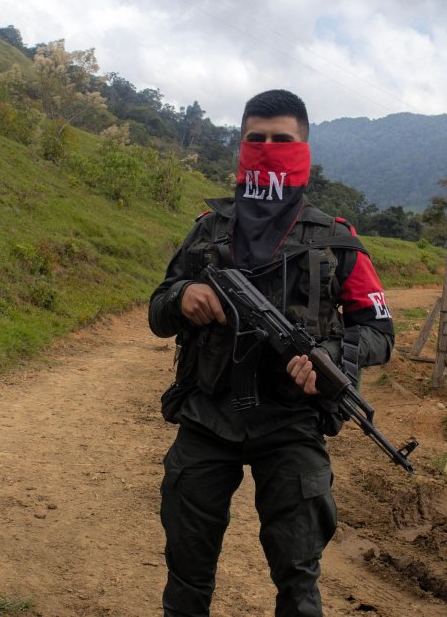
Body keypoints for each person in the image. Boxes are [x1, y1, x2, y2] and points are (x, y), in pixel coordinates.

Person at [148, 89, 395, 616]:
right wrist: (182, 297)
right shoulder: (208, 229)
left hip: (291, 424)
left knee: (299, 585)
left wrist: (330, 355)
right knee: (187, 578)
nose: (267, 148)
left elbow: (379, 332)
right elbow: (157, 309)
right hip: (207, 416)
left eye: (281, 140)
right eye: (255, 139)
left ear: (303, 148)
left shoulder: (336, 241)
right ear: (240, 146)